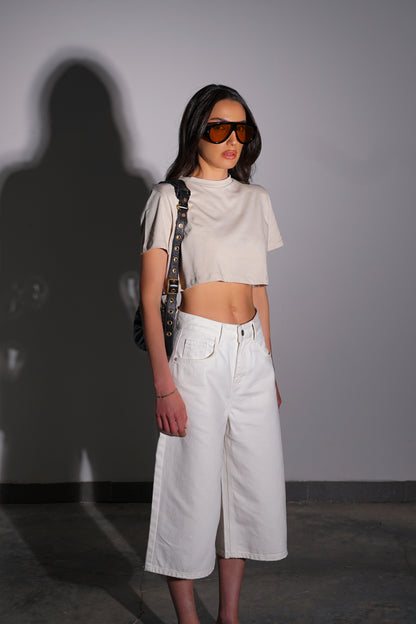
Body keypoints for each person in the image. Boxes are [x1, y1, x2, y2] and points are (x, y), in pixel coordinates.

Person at [140, 84, 287, 624]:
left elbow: (259, 289)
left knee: (246, 489)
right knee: (190, 489)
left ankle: (230, 617)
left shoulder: (256, 199)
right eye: (219, 128)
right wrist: (164, 384)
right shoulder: (169, 197)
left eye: (241, 129)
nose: (232, 140)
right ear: (196, 130)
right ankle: (189, 620)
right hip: (197, 351)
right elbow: (150, 298)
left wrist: (268, 363)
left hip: (251, 352)